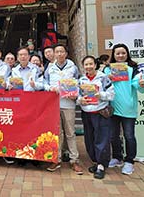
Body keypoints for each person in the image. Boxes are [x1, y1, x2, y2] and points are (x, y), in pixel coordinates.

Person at [104, 43, 144, 175]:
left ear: (127, 54)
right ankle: (117, 157)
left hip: (128, 108)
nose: (120, 56)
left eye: (123, 53)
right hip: (112, 107)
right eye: (118, 53)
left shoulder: (134, 69)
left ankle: (129, 161)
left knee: (129, 135)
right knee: (113, 135)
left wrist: (141, 84)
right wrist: (107, 79)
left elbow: (140, 88)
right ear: (113, 55)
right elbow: (101, 85)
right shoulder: (108, 69)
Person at [43, 43, 83, 175]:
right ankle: (56, 159)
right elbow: (45, 82)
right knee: (57, 133)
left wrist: (75, 94)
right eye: (57, 52)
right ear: (54, 54)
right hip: (54, 105)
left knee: (70, 133)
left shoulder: (73, 68)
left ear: (66, 53)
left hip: (69, 105)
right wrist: (50, 88)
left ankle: (74, 160)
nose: (59, 54)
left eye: (62, 51)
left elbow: (79, 82)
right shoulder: (50, 68)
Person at [77, 56, 115, 179]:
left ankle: (101, 165)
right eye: (86, 64)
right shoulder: (81, 79)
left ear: (95, 65)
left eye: (90, 64)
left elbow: (111, 94)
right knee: (89, 139)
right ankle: (96, 161)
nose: (88, 67)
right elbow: (77, 95)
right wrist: (80, 100)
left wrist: (101, 95)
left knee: (102, 139)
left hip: (100, 113)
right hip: (87, 113)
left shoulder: (103, 78)